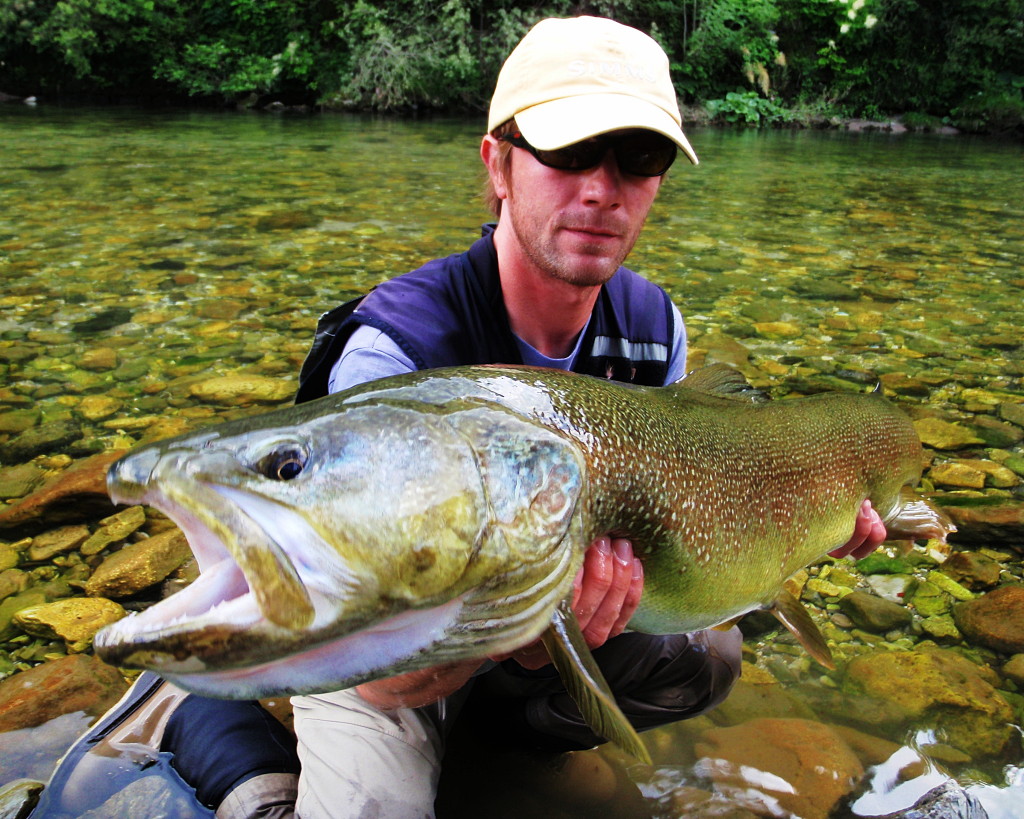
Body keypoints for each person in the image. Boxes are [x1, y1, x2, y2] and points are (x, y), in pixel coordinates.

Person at [43, 15, 886, 819]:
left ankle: (487, 748)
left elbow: (711, 498)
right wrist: (510, 637)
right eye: (566, 151)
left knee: (706, 655)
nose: (602, 188)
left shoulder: (655, 328)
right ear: (498, 164)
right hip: (377, 645)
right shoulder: (391, 353)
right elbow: (374, 671)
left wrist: (815, 520)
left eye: (637, 157)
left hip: (517, 616)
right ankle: (223, 724)